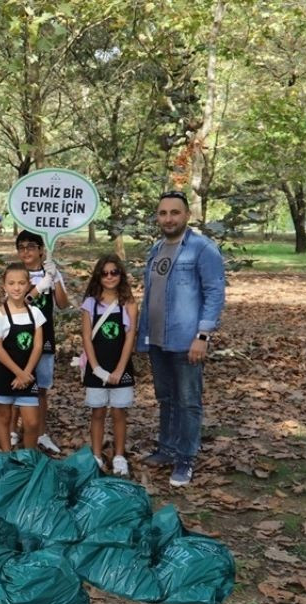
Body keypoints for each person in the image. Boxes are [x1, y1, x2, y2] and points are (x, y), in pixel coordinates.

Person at [137, 190, 225, 487]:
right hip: (158, 339)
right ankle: (167, 448)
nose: (168, 218)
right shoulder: (157, 249)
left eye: (175, 213)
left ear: (187, 215)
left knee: (188, 401)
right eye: (163, 213)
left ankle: (185, 458)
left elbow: (214, 292)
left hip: (187, 340)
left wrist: (202, 335)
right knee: (165, 398)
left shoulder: (202, 248)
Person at [80, 254, 138, 477]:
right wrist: (96, 369)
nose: (109, 277)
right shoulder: (90, 304)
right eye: (104, 273)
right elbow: (86, 337)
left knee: (119, 412)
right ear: (98, 276)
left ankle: (119, 455)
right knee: (97, 411)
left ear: (121, 274)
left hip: (119, 366)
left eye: (114, 272)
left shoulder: (128, 303)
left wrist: (119, 370)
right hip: (97, 366)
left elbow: (130, 336)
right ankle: (95, 454)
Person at [12, 230, 68, 453]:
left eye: (31, 247)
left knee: (42, 387)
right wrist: (41, 284)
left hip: (44, 335)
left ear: (41, 250)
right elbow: (20, 302)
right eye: (22, 247)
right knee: (18, 382)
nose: (26, 251)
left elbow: (63, 304)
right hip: (18, 337)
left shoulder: (51, 272)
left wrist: (54, 280)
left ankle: (41, 432)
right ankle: (15, 430)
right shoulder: (16, 273)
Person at [0, 262, 45, 451]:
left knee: (32, 422)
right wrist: (18, 373)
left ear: (28, 285)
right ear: (4, 286)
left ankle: (29, 457)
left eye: (21, 283)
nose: (16, 287)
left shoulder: (35, 313)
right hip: (3, 374)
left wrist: (26, 373)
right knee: (4, 417)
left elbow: (37, 346)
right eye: (11, 283)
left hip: (28, 375)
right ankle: (6, 456)